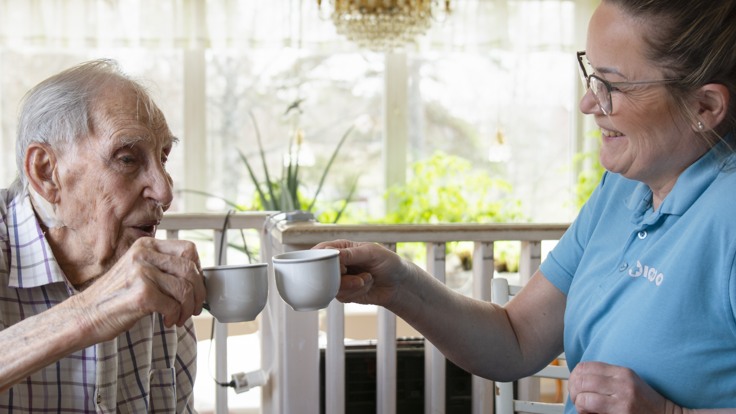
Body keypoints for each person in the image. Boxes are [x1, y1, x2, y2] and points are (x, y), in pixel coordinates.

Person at [317, 0, 736, 412]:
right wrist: (399, 284)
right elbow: (516, 339)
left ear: (706, 106)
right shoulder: (621, 191)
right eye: (591, 76)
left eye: (614, 86)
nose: (588, 103)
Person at [0, 60, 206, 412]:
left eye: (163, 158)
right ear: (47, 172)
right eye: (127, 159)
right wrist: (92, 311)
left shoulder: (153, 280)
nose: (164, 191)